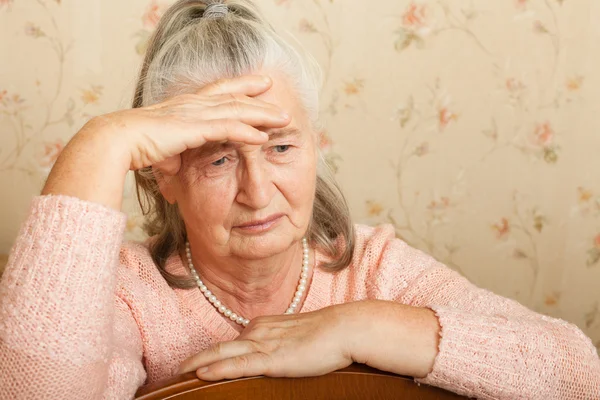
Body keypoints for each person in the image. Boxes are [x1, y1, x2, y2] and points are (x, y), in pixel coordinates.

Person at [1, 0, 599, 398]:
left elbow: (576, 373)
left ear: (316, 147)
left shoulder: (374, 267)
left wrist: (357, 326)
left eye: (281, 148)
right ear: (167, 177)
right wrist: (101, 143)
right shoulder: (128, 290)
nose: (258, 192)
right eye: (218, 158)